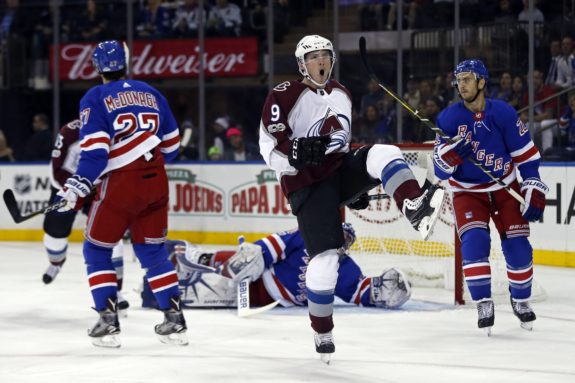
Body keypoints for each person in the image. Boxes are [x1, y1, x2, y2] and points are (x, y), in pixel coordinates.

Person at [258, 34, 446, 361]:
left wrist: (353, 190)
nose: (321, 61)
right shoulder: (284, 94)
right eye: (313, 57)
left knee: (383, 152)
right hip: (306, 183)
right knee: (326, 258)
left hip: (337, 172)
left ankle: (415, 206)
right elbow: (268, 148)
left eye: (325, 56)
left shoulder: (342, 93)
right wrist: (295, 153)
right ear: (302, 63)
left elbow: (343, 146)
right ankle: (322, 329)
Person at [56, 40, 186, 348]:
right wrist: (145, 165)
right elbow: (172, 146)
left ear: (97, 66)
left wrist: (77, 184)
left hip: (120, 186)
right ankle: (175, 320)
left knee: (96, 249)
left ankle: (108, 321)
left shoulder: (95, 96)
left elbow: (96, 152)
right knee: (152, 252)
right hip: (156, 181)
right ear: (127, 62)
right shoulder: (152, 93)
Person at [433, 59, 547, 335]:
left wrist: (533, 186)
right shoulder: (448, 119)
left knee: (518, 247)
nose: (462, 85)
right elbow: (439, 169)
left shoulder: (504, 114)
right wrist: (448, 158)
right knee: (474, 241)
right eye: (459, 80)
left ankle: (520, 299)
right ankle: (483, 301)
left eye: (468, 79)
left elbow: (527, 159)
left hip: (505, 189)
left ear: (482, 82)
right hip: (468, 193)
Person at [141, 223, 412, 311]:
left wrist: (381, 291)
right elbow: (272, 246)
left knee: (208, 292)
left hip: (271, 300)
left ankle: (166, 291)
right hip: (262, 278)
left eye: (348, 242)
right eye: (342, 238)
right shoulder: (306, 235)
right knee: (237, 263)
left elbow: (359, 290)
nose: (343, 245)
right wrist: (254, 255)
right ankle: (192, 257)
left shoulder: (342, 267)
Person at [41, 119, 129, 310]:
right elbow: (57, 169)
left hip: (101, 190)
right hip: (69, 188)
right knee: (54, 232)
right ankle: (56, 262)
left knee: (112, 240)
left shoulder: (118, 130)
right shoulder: (69, 132)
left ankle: (115, 291)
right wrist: (76, 188)